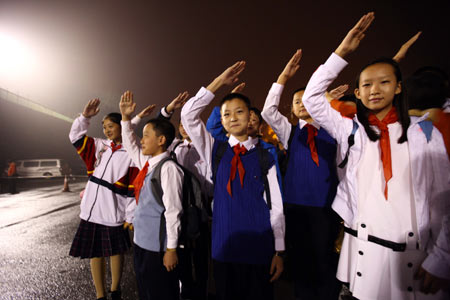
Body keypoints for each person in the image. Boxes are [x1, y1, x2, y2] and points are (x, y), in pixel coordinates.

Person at [302, 12, 450, 299]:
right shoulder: (352, 129)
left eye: (384, 82)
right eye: (367, 84)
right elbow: (311, 98)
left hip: (413, 256)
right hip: (364, 250)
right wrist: (341, 53)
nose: (374, 90)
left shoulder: (425, 134)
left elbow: (443, 199)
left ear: (398, 88)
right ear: (357, 93)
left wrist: (441, 257)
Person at [180, 62, 285, 300]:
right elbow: (188, 115)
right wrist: (218, 83)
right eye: (226, 113)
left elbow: (275, 204)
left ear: (250, 117)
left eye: (240, 111)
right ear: (222, 120)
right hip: (224, 246)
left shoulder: (264, 154)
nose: (233, 117)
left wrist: (279, 250)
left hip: (259, 247)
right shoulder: (214, 150)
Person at [261, 50, 341, 300]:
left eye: (308, 99)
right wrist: (283, 77)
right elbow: (268, 111)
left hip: (326, 208)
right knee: (302, 267)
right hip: (296, 209)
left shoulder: (334, 128)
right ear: (293, 109)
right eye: (297, 101)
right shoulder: (290, 132)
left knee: (326, 264)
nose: (302, 104)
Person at [68, 98, 152, 300]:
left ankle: (115, 290)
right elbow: (75, 136)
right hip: (91, 210)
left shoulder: (132, 153)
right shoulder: (100, 145)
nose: (106, 130)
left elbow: (134, 187)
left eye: (111, 126)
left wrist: (130, 216)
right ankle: (100, 295)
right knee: (94, 252)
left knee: (115, 252)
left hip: (114, 210)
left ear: (121, 126)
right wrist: (85, 117)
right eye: (104, 127)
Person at [119, 91, 184, 300]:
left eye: (146, 135)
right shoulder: (147, 164)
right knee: (146, 292)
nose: (142, 139)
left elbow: (174, 211)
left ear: (162, 140)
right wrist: (125, 118)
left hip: (158, 249)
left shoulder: (168, 169)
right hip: (141, 244)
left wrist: (171, 248)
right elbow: (129, 143)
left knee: (161, 293)